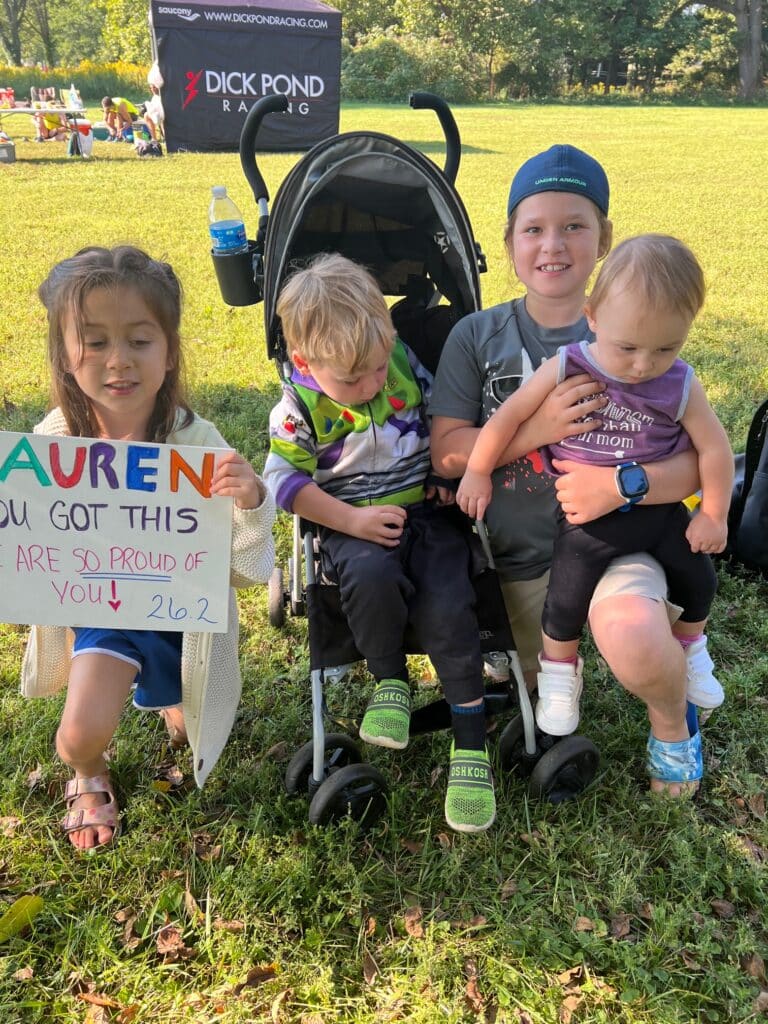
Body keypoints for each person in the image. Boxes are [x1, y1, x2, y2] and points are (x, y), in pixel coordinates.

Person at [430, 144, 710, 797]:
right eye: (534, 228)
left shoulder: (639, 333)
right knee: (533, 686)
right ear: (509, 242)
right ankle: (545, 669)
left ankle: (673, 723)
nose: (552, 245)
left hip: (619, 539)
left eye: (574, 226)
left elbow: (699, 461)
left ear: (604, 238)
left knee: (635, 633)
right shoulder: (476, 336)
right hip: (515, 562)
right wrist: (541, 429)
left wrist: (622, 484)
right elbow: (447, 454)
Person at [22, 245, 275, 851]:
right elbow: (33, 555)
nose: (119, 362)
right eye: (95, 341)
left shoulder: (196, 442)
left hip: (182, 622)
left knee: (193, 728)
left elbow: (244, 570)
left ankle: (165, 701)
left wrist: (252, 502)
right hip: (104, 616)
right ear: (64, 353)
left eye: (139, 340)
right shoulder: (50, 443)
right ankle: (88, 773)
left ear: (168, 352)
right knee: (77, 735)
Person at [456, 233, 733, 741]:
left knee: (700, 580)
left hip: (659, 511)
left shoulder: (680, 383)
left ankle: (692, 648)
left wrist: (713, 513)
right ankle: (561, 670)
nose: (644, 365)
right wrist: (477, 470)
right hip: (587, 519)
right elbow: (508, 416)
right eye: (627, 347)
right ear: (594, 317)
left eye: (667, 347)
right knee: (566, 593)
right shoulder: (569, 364)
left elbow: (714, 448)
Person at [264, 253, 495, 833]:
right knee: (367, 578)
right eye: (353, 379)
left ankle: (471, 745)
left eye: (376, 367)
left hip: (427, 516)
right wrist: (349, 521)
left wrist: (446, 477)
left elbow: (440, 417)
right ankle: (389, 678)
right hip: (351, 522)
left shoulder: (392, 358)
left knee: (450, 601)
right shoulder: (298, 407)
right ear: (303, 360)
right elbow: (283, 483)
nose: (370, 386)